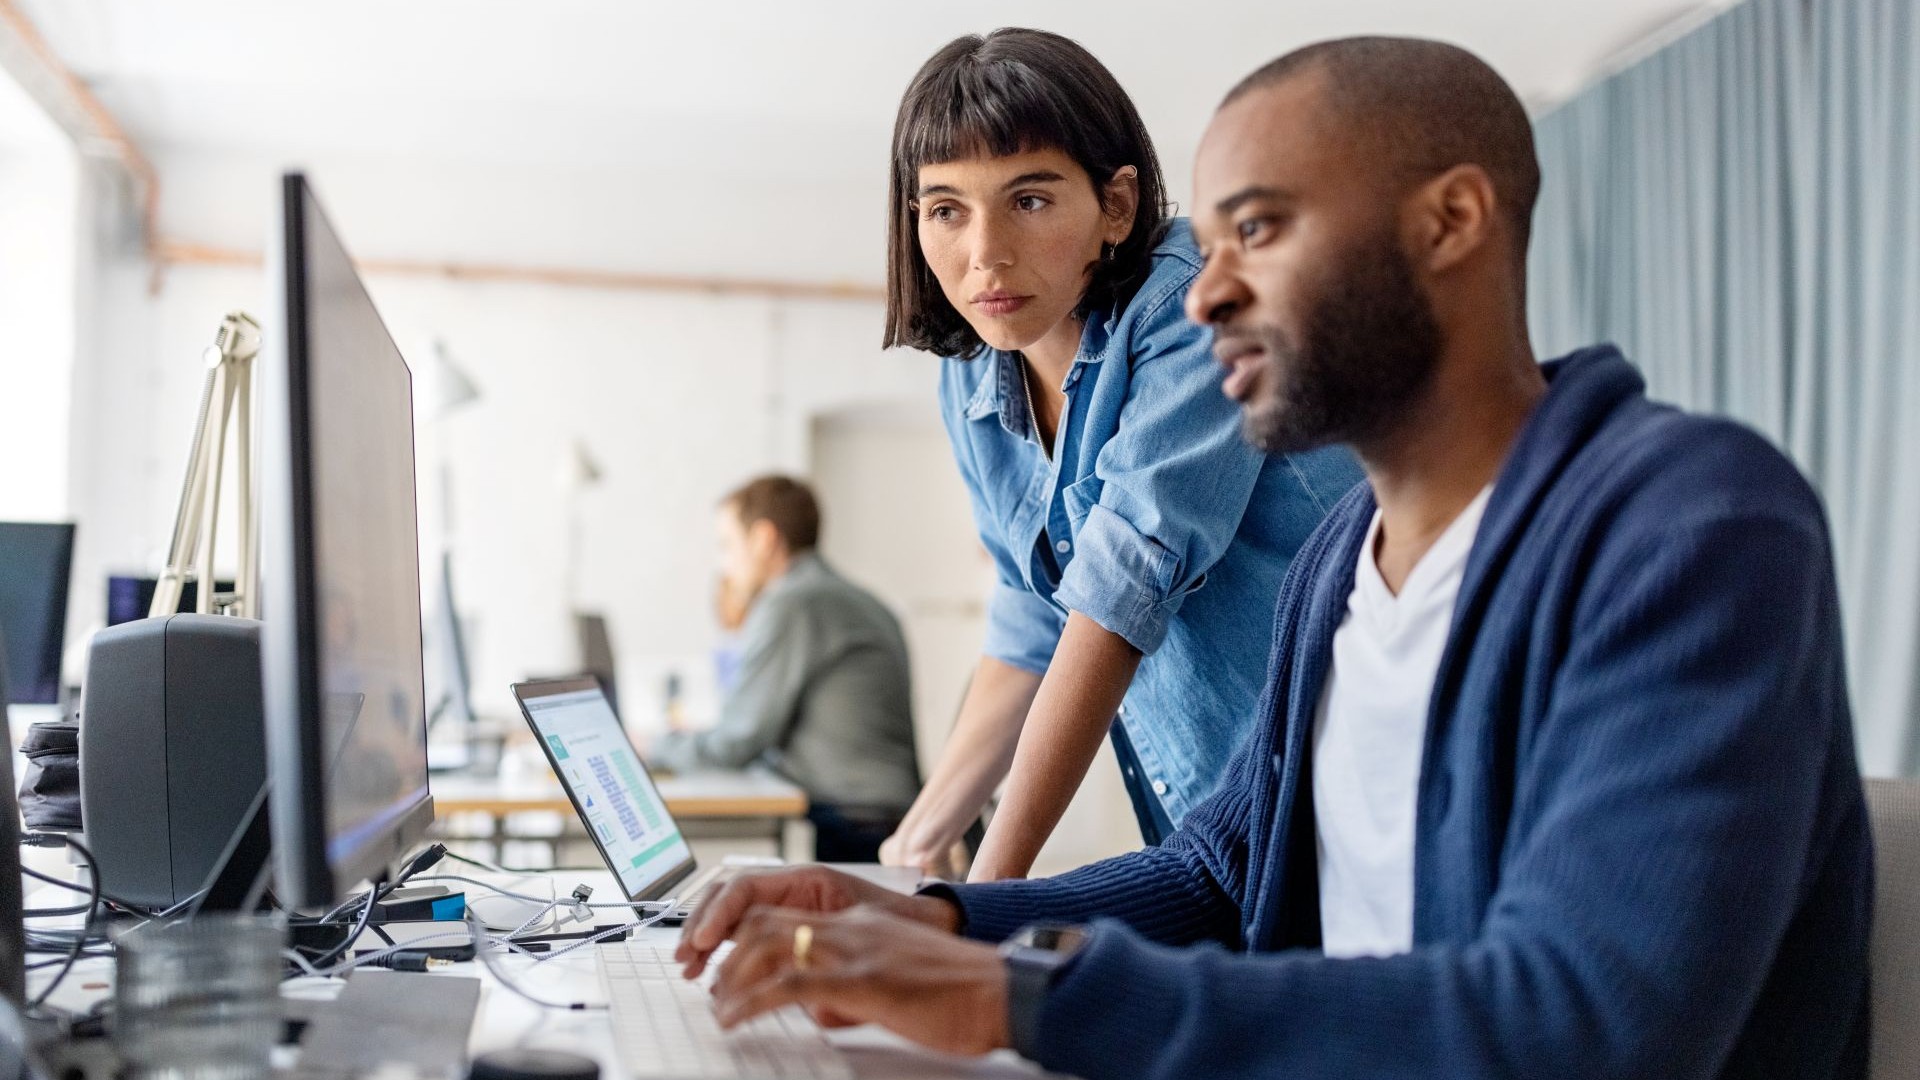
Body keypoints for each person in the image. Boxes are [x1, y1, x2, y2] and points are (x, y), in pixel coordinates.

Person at [673, 37, 1873, 1079]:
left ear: (1450, 222)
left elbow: (1587, 1027)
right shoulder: (1342, 561)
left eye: (1257, 228)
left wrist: (1019, 996)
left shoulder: (1691, 528)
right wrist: (939, 918)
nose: (1204, 298)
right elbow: (1214, 874)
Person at [879, 28, 1361, 880]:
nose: (983, 252)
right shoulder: (972, 373)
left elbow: (1118, 590)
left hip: (1354, 792)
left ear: (1117, 206)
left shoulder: (1197, 308)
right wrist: (919, 844)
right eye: (946, 209)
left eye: (1028, 200)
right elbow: (1034, 619)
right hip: (1217, 825)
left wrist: (984, 897)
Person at [647, 476, 920, 863]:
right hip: (885, 815)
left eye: (726, 545)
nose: (723, 564)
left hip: (854, 824)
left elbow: (736, 742)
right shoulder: (853, 598)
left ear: (763, 539)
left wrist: (655, 745)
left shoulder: (793, 603)